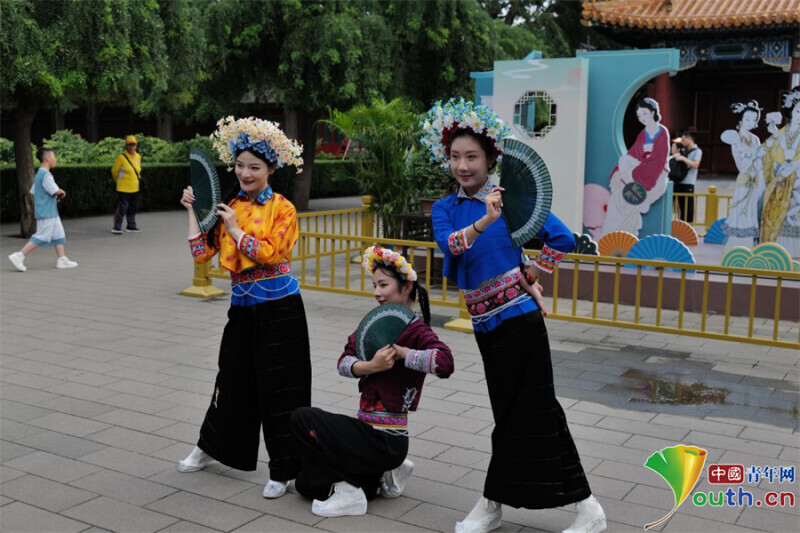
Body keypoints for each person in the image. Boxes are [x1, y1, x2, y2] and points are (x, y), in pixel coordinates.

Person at [422, 98, 606, 533]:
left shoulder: (513, 201)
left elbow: (561, 238)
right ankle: (512, 503)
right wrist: (486, 220)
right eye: (455, 157)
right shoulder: (446, 208)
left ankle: (560, 506)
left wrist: (531, 272)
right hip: (486, 326)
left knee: (534, 411)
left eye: (472, 157)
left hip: (521, 321)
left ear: (490, 160)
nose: (463, 165)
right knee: (510, 413)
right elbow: (451, 246)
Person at [176, 116, 312, 499]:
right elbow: (202, 253)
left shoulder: (283, 208)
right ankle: (210, 447)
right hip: (242, 309)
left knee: (282, 388)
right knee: (230, 379)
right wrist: (193, 211)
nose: (245, 173)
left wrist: (236, 230)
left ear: (271, 168)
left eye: (254, 167)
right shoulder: (228, 205)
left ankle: (284, 468)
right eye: (240, 166)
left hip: (281, 310)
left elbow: (271, 253)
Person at [289, 245, 454, 517]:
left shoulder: (416, 330)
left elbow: (445, 363)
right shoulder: (375, 323)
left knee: (301, 418)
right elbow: (343, 361)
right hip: (367, 432)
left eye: (383, 284)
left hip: (386, 439)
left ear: (405, 287)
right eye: (374, 284)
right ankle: (383, 476)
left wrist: (404, 354)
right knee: (306, 485)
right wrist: (370, 366)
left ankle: (357, 487)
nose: (377, 292)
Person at [599, 98, 669, 237]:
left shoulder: (662, 132)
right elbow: (633, 153)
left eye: (644, 113)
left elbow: (658, 160)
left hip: (655, 177)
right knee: (617, 199)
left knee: (628, 201)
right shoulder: (643, 133)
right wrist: (620, 173)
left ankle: (626, 234)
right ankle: (610, 235)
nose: (642, 118)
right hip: (638, 173)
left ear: (653, 112)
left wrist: (634, 174)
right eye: (639, 116)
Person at [8, 148, 78, 272]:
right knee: (42, 236)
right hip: (47, 212)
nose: (55, 159)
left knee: (59, 234)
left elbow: (35, 191)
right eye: (54, 157)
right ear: (47, 159)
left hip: (49, 211)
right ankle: (19, 256)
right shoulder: (46, 175)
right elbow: (55, 190)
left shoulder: (39, 174)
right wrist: (61, 191)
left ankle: (62, 260)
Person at [760, 86, 800, 257]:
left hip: (798, 184)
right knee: (776, 216)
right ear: (791, 110)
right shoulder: (779, 134)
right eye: (799, 110)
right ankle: (775, 252)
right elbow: (766, 155)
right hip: (779, 183)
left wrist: (795, 166)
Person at [721, 101, 763, 249]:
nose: (751, 123)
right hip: (744, 182)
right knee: (741, 212)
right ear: (740, 120)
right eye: (747, 119)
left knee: (753, 211)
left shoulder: (756, 139)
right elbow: (742, 167)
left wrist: (757, 159)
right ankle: (736, 246)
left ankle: (750, 244)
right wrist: (751, 156)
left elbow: (759, 163)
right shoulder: (735, 139)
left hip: (756, 181)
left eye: (754, 119)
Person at [110, 135, 142, 234]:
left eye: (133, 145)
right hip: (123, 188)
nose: (132, 147)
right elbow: (114, 171)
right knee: (122, 208)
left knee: (133, 207)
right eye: (129, 145)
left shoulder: (138, 156)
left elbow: (138, 170)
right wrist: (119, 181)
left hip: (135, 187)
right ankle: (117, 227)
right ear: (126, 146)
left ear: (136, 145)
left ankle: (131, 226)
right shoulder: (121, 157)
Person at [671, 130, 702, 223]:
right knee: (673, 205)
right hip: (677, 181)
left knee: (687, 208)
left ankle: (687, 228)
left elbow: (696, 165)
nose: (682, 142)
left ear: (689, 139)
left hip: (688, 183)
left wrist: (683, 158)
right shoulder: (683, 149)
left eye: (684, 140)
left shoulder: (697, 151)